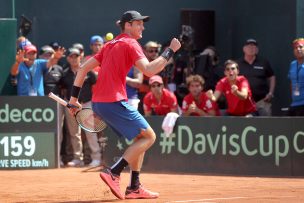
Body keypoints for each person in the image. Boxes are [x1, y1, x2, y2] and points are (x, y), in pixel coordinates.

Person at [68, 10, 181, 200]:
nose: (142, 27)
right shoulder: (130, 43)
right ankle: (114, 172)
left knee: (141, 138)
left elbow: (82, 68)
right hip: (114, 100)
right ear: (127, 25)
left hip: (99, 103)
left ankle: (134, 187)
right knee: (150, 137)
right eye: (138, 23)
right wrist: (170, 50)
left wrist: (73, 99)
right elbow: (150, 70)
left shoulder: (108, 45)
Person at [60, 48, 102, 167]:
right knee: (74, 133)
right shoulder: (65, 74)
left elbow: (96, 86)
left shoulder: (89, 71)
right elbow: (63, 90)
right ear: (68, 58)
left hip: (87, 104)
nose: (74, 59)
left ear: (80, 57)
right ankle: (77, 158)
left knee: (90, 132)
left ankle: (96, 158)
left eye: (76, 56)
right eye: (71, 56)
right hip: (71, 105)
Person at [237, 38, 275, 116]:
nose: (252, 48)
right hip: (244, 102)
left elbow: (271, 77)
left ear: (257, 50)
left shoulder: (263, 62)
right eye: (249, 46)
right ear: (244, 49)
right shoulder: (238, 64)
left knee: (265, 123)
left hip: (262, 101)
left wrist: (270, 93)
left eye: (254, 47)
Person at [288, 38, 304, 116]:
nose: (298, 49)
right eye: (296, 48)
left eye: (301, 47)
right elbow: (291, 82)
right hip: (295, 104)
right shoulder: (292, 64)